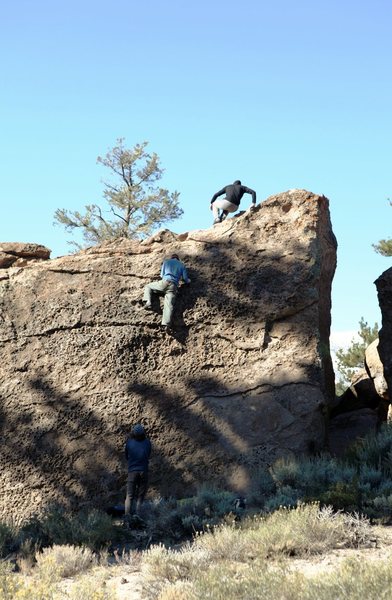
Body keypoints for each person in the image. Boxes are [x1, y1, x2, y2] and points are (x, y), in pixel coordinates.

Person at [143, 254, 191, 329]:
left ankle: (147, 301)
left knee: (148, 286)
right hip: (173, 286)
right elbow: (185, 279)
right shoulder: (181, 265)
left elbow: (162, 275)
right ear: (178, 259)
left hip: (164, 282)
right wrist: (189, 281)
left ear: (172, 258)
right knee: (169, 305)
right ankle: (166, 324)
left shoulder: (166, 262)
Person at [124, 424, 151, 516]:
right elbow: (148, 455)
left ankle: (127, 517)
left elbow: (126, 456)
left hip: (132, 471)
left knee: (129, 496)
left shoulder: (129, 443)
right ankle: (138, 517)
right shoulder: (147, 442)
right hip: (144, 470)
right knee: (140, 496)